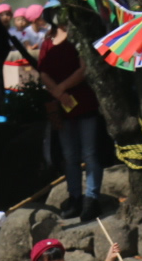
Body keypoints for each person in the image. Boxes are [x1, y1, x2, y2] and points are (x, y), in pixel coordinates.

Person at [38, 20, 105, 221]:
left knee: (90, 153)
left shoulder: (78, 38)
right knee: (70, 155)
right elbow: (43, 72)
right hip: (62, 107)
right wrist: (59, 95)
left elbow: (84, 68)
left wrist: (62, 88)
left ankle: (92, 198)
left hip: (84, 102)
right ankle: (74, 197)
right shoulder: (47, 41)